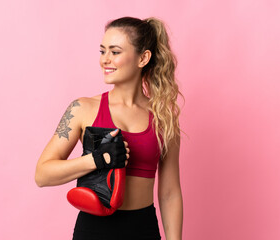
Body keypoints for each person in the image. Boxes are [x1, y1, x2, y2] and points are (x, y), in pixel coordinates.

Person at [35, 16, 184, 240]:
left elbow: (170, 192)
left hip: (143, 230)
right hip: (94, 230)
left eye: (115, 52)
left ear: (143, 58)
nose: (105, 60)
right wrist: (97, 159)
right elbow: (42, 175)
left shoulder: (163, 118)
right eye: (102, 51)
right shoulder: (82, 109)